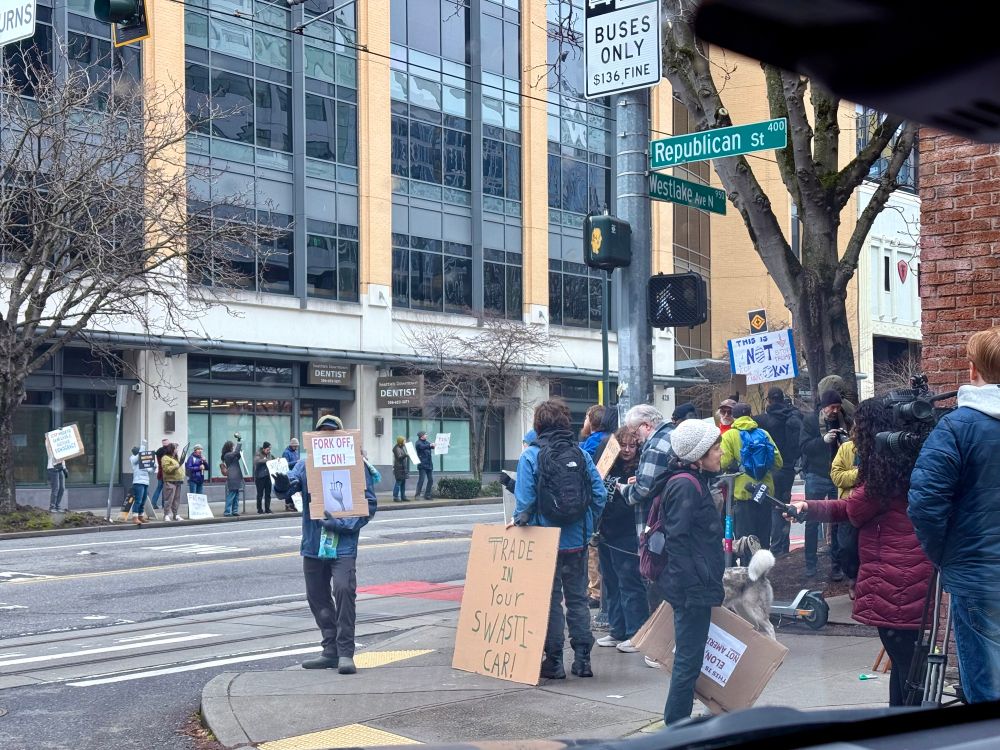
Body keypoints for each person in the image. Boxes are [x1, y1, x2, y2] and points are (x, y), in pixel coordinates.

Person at [789, 398, 931, 706]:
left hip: (895, 581)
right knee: (907, 668)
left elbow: (850, 508)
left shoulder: (883, 476)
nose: (854, 432)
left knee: (907, 669)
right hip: (913, 576)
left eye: (859, 427)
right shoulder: (908, 464)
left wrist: (807, 508)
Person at [909, 325, 1000, 704]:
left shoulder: (957, 428)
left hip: (979, 582)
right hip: (979, 576)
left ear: (972, 369)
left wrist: (946, 556)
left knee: (986, 692)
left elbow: (925, 505)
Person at [513, 399, 607, 680]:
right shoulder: (580, 454)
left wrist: (521, 524)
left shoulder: (530, 457)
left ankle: (554, 661)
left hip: (544, 542)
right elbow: (599, 496)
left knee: (551, 600)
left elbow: (524, 504)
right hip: (576, 542)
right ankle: (583, 660)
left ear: (537, 425)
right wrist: (588, 526)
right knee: (578, 599)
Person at [289, 414, 378, 675]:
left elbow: (368, 505)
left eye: (332, 434)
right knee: (316, 596)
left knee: (343, 591)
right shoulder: (305, 465)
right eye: (322, 434)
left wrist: (342, 524)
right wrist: (283, 485)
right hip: (313, 544)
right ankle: (330, 650)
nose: (327, 438)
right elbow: (289, 485)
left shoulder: (358, 466)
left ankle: (345, 652)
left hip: (343, 546)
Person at [658, 419, 726, 725]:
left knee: (691, 660)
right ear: (698, 456)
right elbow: (678, 541)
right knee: (687, 663)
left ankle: (679, 724)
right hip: (691, 590)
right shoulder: (686, 484)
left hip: (695, 585)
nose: (721, 452)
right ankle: (676, 727)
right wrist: (691, 586)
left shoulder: (693, 481)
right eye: (715, 448)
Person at [593, 426, 648, 655]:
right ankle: (618, 629)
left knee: (629, 583)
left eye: (632, 445)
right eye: (623, 445)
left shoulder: (639, 469)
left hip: (626, 533)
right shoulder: (608, 464)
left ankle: (636, 632)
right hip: (606, 531)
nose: (627, 450)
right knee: (612, 583)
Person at [799, 389, 853, 579]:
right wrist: (822, 440)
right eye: (832, 407)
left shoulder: (844, 419)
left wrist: (844, 439)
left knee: (837, 520)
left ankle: (836, 565)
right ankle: (810, 564)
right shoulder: (810, 421)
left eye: (838, 407)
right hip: (816, 474)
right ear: (824, 407)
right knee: (811, 519)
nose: (835, 411)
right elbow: (804, 447)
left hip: (835, 476)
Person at [720, 402, 783, 557]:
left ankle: (749, 576)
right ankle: (763, 575)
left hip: (743, 493)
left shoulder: (729, 435)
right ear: (750, 415)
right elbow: (778, 463)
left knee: (746, 542)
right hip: (764, 494)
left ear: (734, 417)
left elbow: (723, 462)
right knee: (763, 539)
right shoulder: (763, 434)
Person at [755, 386, 803, 556]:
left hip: (773, 469)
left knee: (774, 507)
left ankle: (775, 548)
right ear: (783, 399)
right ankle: (784, 545)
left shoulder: (764, 420)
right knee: (785, 505)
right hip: (789, 468)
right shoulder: (792, 416)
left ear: (769, 400)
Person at [829, 430, 861, 595]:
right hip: (849, 505)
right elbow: (836, 476)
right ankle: (852, 576)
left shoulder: (879, 447)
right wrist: (859, 474)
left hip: (872, 505)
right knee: (847, 546)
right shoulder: (846, 448)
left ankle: (861, 581)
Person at [159, 443, 186, 522]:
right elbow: (166, 469)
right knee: (169, 499)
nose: (177, 450)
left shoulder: (175, 458)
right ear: (172, 449)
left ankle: (175, 514)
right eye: (176, 448)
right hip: (170, 481)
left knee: (176, 499)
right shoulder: (165, 458)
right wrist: (176, 466)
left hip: (178, 481)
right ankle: (166, 515)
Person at [221, 435, 244, 517]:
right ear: (229, 447)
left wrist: (240, 452)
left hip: (236, 476)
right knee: (231, 495)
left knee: (236, 495)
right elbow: (236, 453)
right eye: (233, 446)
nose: (234, 447)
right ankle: (227, 511)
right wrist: (239, 442)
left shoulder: (231, 455)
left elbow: (237, 455)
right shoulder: (227, 455)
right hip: (233, 477)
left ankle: (234, 511)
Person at [129, 446, 150, 523]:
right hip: (138, 482)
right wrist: (142, 450)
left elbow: (149, 470)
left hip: (145, 482)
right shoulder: (133, 458)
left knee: (143, 500)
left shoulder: (144, 460)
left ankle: (141, 516)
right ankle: (135, 517)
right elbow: (137, 459)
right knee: (138, 500)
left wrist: (154, 467)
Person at [253, 442, 274, 514]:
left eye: (270, 449)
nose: (269, 451)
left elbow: (273, 460)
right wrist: (266, 460)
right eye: (268, 449)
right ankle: (259, 509)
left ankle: (267, 508)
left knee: (268, 494)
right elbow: (256, 461)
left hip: (268, 477)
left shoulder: (269, 454)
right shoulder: (258, 454)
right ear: (264, 448)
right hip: (260, 477)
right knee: (260, 494)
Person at [150, 437, 170, 510]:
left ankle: (153, 503)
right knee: (165, 490)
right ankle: (164, 504)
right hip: (166, 473)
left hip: (160, 473)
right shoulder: (168, 451)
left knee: (158, 488)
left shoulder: (159, 451)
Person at [414, 431, 435, 500]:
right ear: (421, 436)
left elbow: (433, 446)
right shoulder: (418, 443)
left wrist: (445, 445)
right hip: (422, 465)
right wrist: (430, 445)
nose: (426, 435)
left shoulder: (427, 442)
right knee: (421, 480)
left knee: (431, 480)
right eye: (425, 434)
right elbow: (422, 447)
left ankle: (427, 495)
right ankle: (417, 495)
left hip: (429, 464)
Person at [282, 438, 301, 511]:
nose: (296, 448)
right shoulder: (286, 453)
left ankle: (293, 504)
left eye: (297, 446)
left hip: (295, 473)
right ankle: (288, 505)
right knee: (289, 489)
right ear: (292, 445)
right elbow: (285, 464)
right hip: (289, 473)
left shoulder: (295, 452)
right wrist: (296, 462)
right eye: (295, 446)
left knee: (295, 489)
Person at [392, 436, 409, 502]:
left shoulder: (401, 447)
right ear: (401, 442)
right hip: (399, 468)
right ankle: (395, 497)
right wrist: (406, 455)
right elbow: (399, 457)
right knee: (398, 483)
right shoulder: (396, 448)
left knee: (403, 483)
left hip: (402, 468)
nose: (405, 442)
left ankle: (403, 496)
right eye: (404, 441)